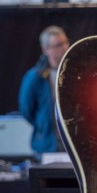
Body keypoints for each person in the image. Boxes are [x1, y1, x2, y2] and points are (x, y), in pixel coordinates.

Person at [18, 25, 70, 154]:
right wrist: (42, 125)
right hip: (47, 145)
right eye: (58, 45)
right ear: (46, 50)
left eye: (65, 42)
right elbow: (26, 110)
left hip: (73, 145)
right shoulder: (35, 77)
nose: (64, 47)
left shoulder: (76, 73)